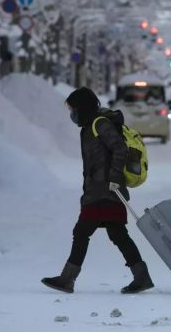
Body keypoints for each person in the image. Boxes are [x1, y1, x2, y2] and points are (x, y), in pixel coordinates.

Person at [41, 87, 154, 294]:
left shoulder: (99, 124)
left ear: (82, 107)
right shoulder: (91, 125)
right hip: (101, 191)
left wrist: (113, 179)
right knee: (118, 235)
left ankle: (68, 279)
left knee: (82, 232)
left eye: (73, 109)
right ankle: (141, 276)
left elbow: (120, 148)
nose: (72, 114)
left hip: (104, 191)